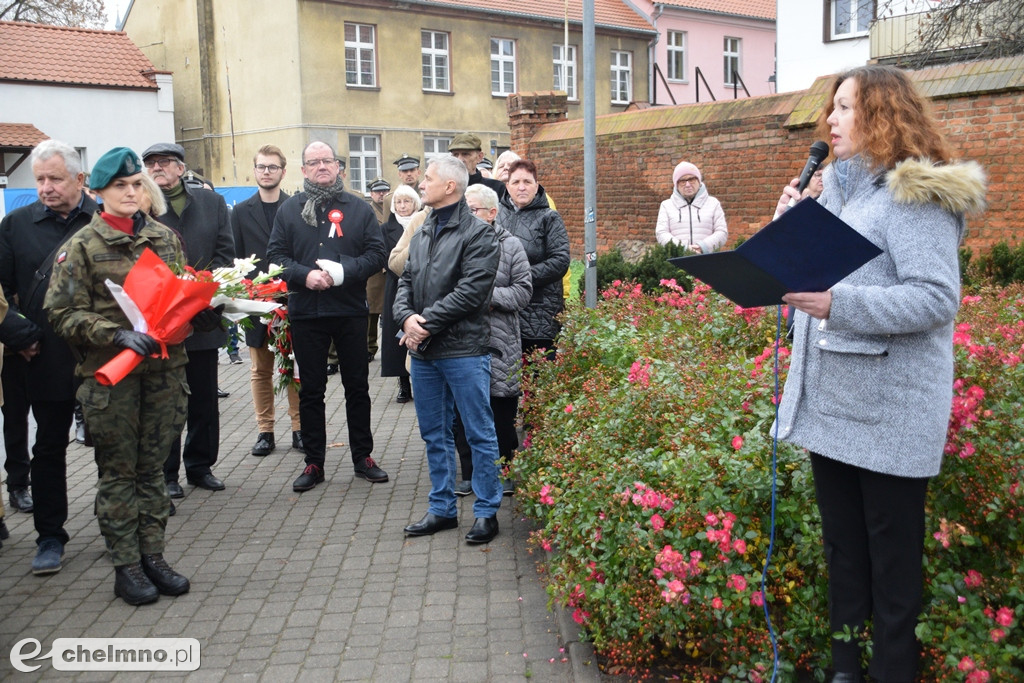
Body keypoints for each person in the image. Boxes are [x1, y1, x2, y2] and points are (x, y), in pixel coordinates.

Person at [773, 65, 986, 683]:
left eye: (845, 107)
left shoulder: (914, 195)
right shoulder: (837, 195)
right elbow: (806, 280)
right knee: (843, 554)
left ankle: (892, 673)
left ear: (883, 115)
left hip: (889, 415)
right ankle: (846, 669)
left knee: (892, 570)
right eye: (832, 107)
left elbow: (935, 298)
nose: (831, 119)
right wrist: (788, 228)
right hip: (833, 408)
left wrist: (837, 305)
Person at [46, 147, 220, 605]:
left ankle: (153, 556)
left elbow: (177, 297)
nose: (130, 192)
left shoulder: (164, 238)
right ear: (97, 192)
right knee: (119, 473)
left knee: (153, 470)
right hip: (113, 379)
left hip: (164, 373)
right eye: (119, 186)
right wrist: (114, 334)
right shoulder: (82, 246)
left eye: (136, 184)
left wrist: (201, 313)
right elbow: (61, 313)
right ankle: (126, 565)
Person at [267, 141, 389, 492]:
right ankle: (314, 462)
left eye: (327, 161)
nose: (321, 166)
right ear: (303, 170)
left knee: (357, 387)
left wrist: (343, 273)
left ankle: (363, 457)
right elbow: (276, 256)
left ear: (338, 167)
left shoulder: (359, 208)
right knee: (311, 391)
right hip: (307, 312)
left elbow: (377, 254)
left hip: (349, 310)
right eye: (314, 162)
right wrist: (304, 275)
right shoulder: (289, 210)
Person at [0, 140, 97, 575]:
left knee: (112, 447)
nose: (45, 187)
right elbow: (0, 291)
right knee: (49, 447)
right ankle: (50, 536)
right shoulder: (16, 225)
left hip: (102, 356)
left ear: (79, 179)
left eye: (55, 179)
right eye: (39, 179)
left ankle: (116, 528)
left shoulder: (104, 221)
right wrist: (18, 333)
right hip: (44, 355)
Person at [394, 155, 502, 544]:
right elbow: (405, 281)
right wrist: (406, 318)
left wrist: (421, 325)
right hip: (425, 354)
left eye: (428, 178)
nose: (421, 184)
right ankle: (441, 508)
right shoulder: (423, 229)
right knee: (434, 434)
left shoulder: (479, 234)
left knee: (478, 432)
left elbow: (471, 292)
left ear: (450, 186)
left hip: (463, 352)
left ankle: (486, 511)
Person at [143, 142, 234, 497]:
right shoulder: (143, 205)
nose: (157, 168)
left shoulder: (211, 202)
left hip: (203, 316)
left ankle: (199, 466)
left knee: (203, 400)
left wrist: (202, 293)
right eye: (150, 163)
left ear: (181, 168)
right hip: (161, 321)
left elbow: (225, 253)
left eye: (164, 162)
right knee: (167, 402)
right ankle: (167, 474)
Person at [453, 184, 532, 498]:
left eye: (473, 210)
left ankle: (505, 470)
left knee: (500, 411)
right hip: (460, 339)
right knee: (463, 411)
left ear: (492, 213)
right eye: (464, 209)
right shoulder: (453, 243)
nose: (467, 215)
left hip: (500, 340)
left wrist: (486, 297)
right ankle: (469, 471)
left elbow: (523, 291)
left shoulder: (511, 246)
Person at [230, 144, 302, 458]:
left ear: (283, 172)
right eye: (262, 166)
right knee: (260, 370)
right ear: (255, 170)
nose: (267, 172)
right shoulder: (240, 212)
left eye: (273, 167)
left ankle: (299, 428)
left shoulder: (296, 207)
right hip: (256, 302)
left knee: (294, 367)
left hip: (292, 299)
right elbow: (235, 256)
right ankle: (265, 431)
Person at [497, 159, 570, 358]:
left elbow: (560, 260)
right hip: (502, 313)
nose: (522, 187)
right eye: (516, 182)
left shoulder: (549, 218)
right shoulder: (496, 216)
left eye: (527, 182)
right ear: (507, 186)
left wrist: (522, 277)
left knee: (537, 371)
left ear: (536, 186)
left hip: (539, 313)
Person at [380, 184, 422, 403]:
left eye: (407, 201)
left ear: (415, 203)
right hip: (396, 285)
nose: (403, 206)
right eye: (398, 202)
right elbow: (384, 256)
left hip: (421, 284)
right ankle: (403, 384)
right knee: (397, 335)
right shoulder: (386, 229)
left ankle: (420, 380)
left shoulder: (424, 221)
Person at [655, 161, 728, 253]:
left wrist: (702, 247)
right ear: (676, 185)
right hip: (678, 258)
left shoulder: (713, 203)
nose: (688, 185)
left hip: (707, 257)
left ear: (699, 181)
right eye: (682, 181)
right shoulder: (666, 206)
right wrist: (683, 249)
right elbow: (661, 233)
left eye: (692, 179)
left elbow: (722, 232)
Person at [365, 176, 390, 363]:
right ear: (371, 194)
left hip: (390, 266)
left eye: (384, 191)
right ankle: (369, 347)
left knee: (389, 311)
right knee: (371, 312)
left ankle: (389, 348)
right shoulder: (367, 211)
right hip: (374, 270)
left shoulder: (394, 207)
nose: (381, 194)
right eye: (377, 191)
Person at [383, 154, 421, 223]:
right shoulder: (389, 199)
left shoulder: (427, 195)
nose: (409, 174)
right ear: (399, 174)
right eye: (405, 171)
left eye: (412, 170)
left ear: (418, 172)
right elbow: (386, 226)